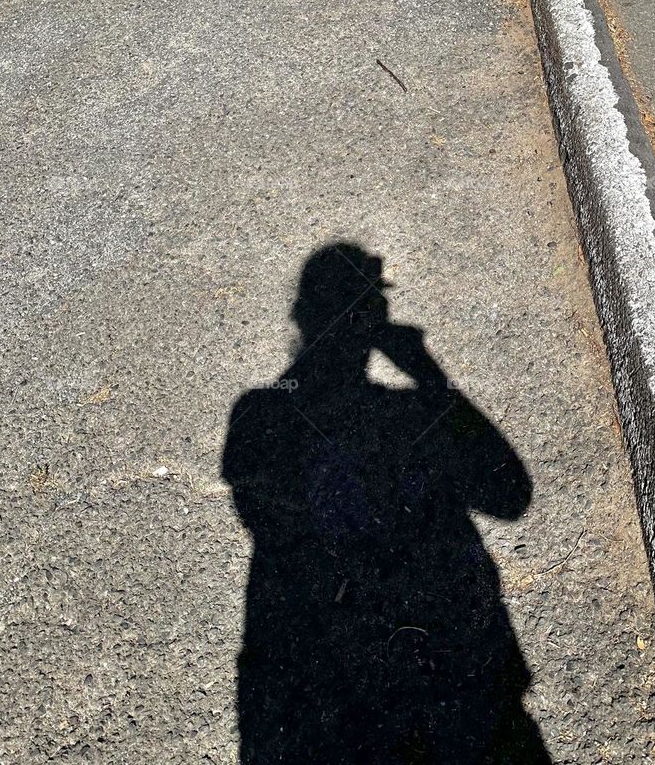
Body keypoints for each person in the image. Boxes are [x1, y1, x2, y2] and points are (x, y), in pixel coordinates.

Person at [223, 244, 549, 763]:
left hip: (319, 687)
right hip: (417, 678)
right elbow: (509, 496)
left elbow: (512, 497)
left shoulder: (261, 414)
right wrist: (426, 372)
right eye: (367, 304)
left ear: (300, 315)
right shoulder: (404, 413)